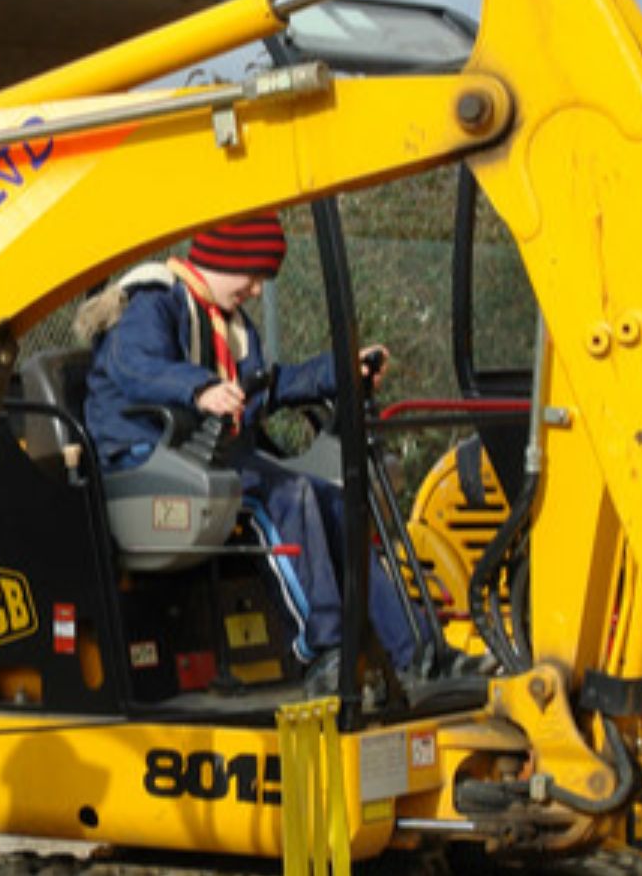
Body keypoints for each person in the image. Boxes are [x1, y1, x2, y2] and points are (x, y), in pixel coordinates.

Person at [77, 213, 419, 693]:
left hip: (199, 454)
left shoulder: (228, 324)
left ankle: (414, 651)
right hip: (142, 453)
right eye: (253, 275)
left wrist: (341, 372)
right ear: (225, 258)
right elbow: (136, 366)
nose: (257, 290)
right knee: (286, 494)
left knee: (335, 502)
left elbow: (262, 388)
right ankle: (323, 649)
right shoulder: (153, 302)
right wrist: (199, 389)